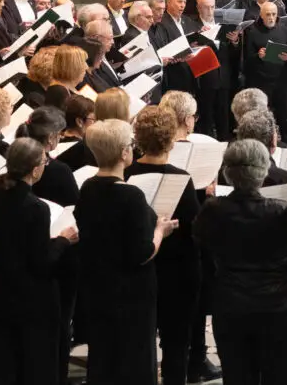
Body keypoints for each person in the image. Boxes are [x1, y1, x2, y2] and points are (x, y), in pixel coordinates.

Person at [194, 139, 287, 385]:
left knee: (237, 378)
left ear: (227, 172)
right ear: (263, 171)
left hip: (231, 306)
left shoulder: (213, 210)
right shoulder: (282, 211)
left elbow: (200, 237)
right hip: (278, 308)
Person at [75, 119, 178, 384]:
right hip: (131, 292)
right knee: (135, 356)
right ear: (123, 153)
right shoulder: (131, 196)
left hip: (98, 285)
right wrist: (160, 231)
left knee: (103, 354)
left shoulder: (87, 187)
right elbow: (142, 253)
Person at [0, 138, 78, 385]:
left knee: (4, 371)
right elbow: (42, 264)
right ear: (35, 169)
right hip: (29, 306)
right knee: (33, 371)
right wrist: (62, 240)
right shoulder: (35, 208)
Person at [125, 107, 202, 385]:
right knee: (176, 344)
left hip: (138, 269)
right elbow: (195, 229)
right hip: (178, 272)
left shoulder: (127, 173)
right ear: (171, 140)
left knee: (138, 343)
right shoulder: (182, 178)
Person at [244, 1, 287, 140]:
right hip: (261, 80)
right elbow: (247, 59)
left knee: (284, 113)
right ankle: (261, 141)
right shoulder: (253, 32)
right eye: (268, 14)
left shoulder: (285, 30)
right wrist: (258, 56)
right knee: (261, 114)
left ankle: (286, 141)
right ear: (261, 15)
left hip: (282, 79)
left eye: (274, 14)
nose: (271, 17)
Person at [193, 0, 238, 140]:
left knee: (223, 118)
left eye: (212, 7)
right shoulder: (193, 26)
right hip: (204, 79)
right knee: (206, 118)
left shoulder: (223, 25)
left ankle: (224, 148)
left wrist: (235, 42)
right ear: (199, 8)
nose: (210, 11)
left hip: (223, 78)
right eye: (206, 7)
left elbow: (231, 55)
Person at [16, 105, 79, 206]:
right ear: (50, 137)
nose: (61, 138)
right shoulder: (60, 171)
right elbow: (75, 206)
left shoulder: (16, 152)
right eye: (59, 134)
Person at [56, 95, 97, 171]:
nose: (97, 124)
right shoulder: (81, 150)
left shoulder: (57, 136)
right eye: (93, 120)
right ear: (79, 122)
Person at [45, 45, 88, 109]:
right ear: (72, 67)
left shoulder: (65, 88)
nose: (86, 67)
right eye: (82, 63)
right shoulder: (58, 92)